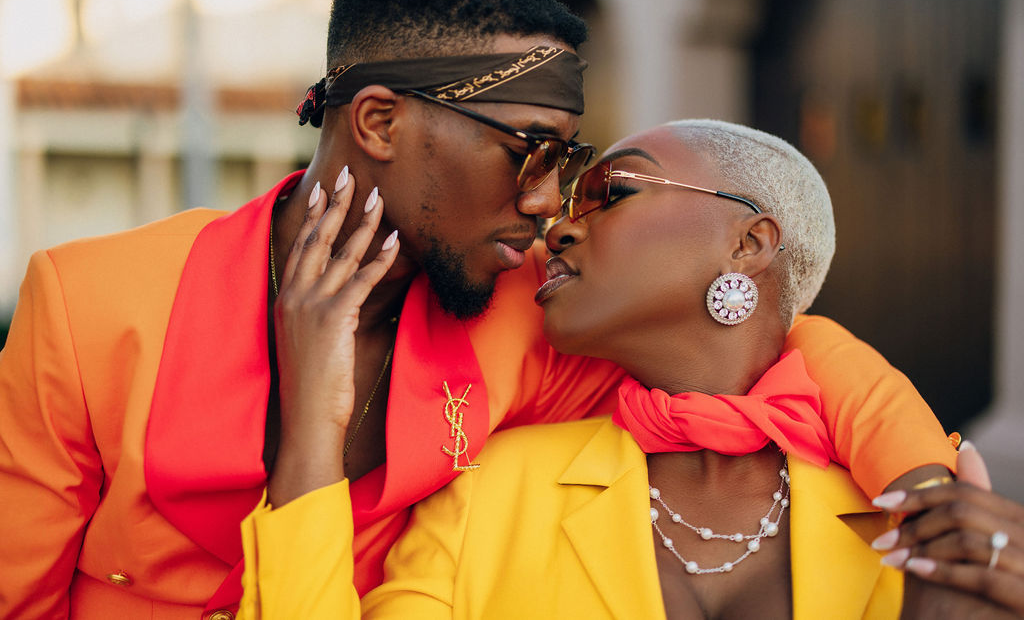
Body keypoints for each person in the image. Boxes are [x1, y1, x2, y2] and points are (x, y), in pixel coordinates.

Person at [0, 0, 956, 617]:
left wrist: (928, 485)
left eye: (573, 164)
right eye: (530, 150)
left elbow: (778, 350)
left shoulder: (526, 317)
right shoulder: (92, 307)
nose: (549, 203)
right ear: (378, 123)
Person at [237, 120, 1024, 618]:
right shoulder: (486, 489)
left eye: (609, 192)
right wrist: (311, 428)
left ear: (748, 244)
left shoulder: (917, 519)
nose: (558, 228)